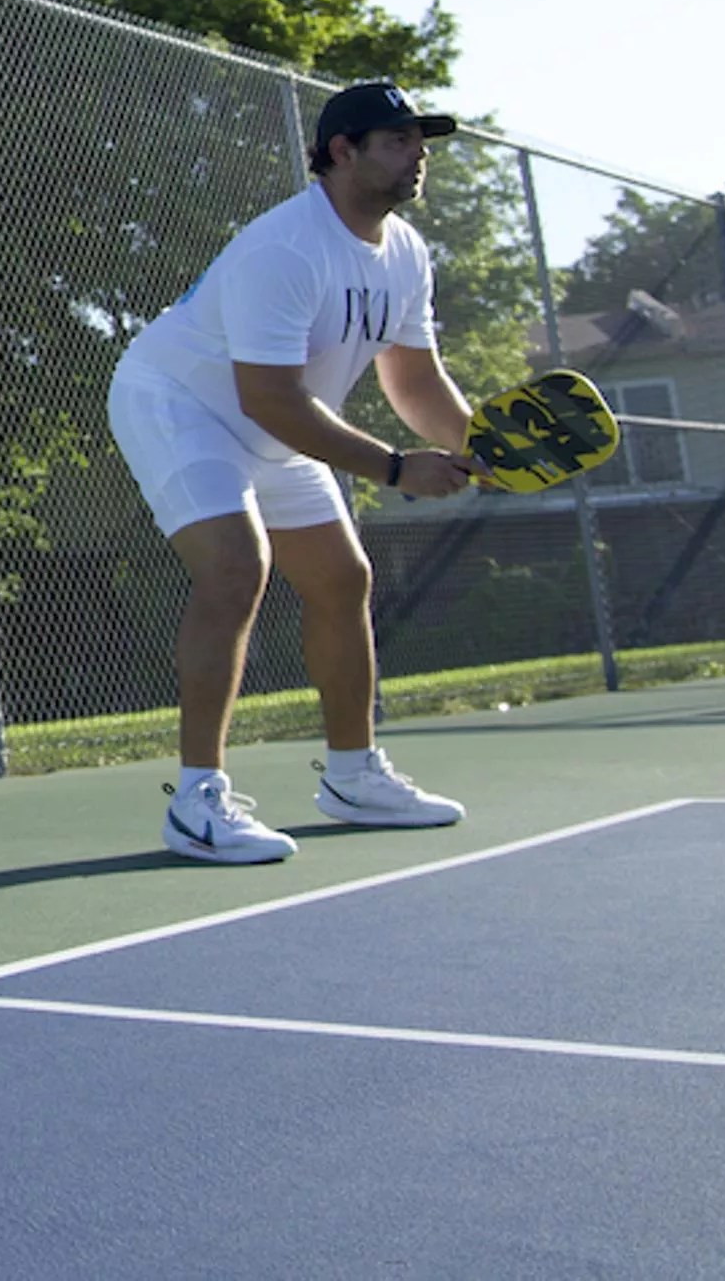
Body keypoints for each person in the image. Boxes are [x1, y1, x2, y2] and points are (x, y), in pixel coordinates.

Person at [104, 80, 483, 864]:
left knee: (343, 580)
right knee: (237, 568)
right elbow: (268, 397)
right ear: (343, 152)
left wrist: (481, 445)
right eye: (398, 139)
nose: (418, 157)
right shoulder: (287, 246)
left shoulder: (406, 253)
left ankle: (353, 776)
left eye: (421, 141)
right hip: (179, 406)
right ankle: (197, 802)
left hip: (276, 424)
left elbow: (412, 381)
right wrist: (392, 467)